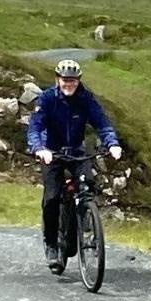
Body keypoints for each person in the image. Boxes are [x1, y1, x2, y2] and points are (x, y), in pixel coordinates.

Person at [27, 59, 123, 269]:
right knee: (52, 197)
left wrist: (113, 144)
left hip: (76, 152)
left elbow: (103, 124)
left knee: (86, 187)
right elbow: (35, 127)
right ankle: (52, 244)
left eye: (73, 80)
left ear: (78, 81)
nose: (68, 84)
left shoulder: (86, 99)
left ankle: (79, 228)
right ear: (57, 80)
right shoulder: (47, 99)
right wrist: (40, 148)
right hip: (52, 153)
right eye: (65, 80)